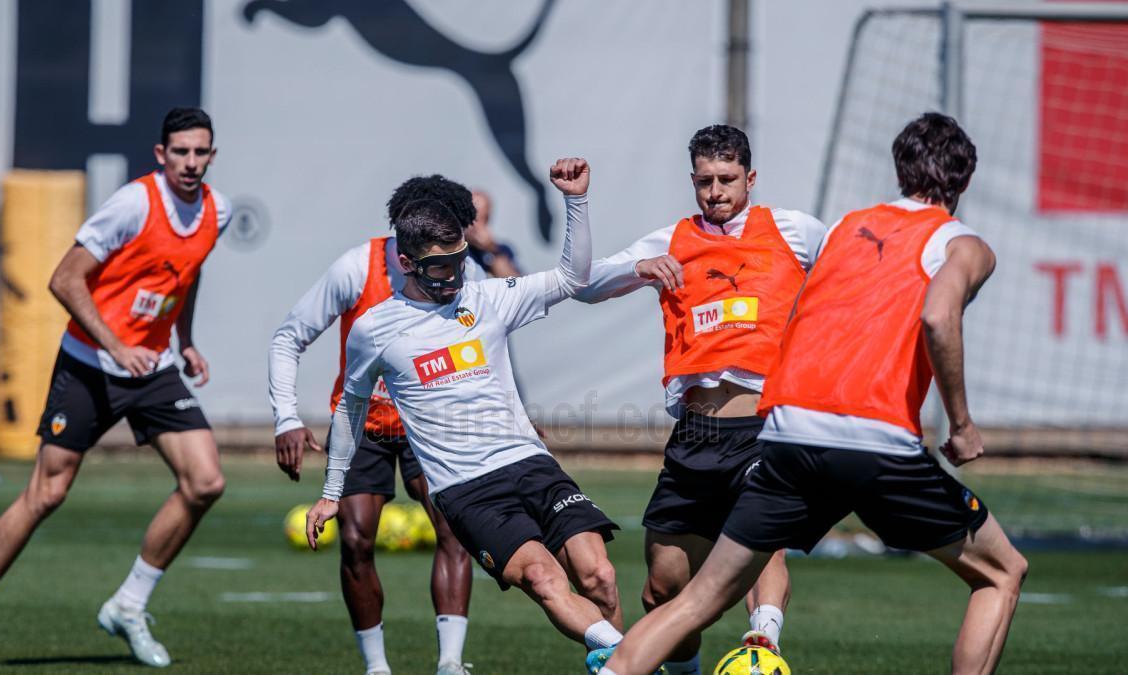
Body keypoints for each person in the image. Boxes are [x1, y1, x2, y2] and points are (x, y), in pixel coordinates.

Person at [599, 113, 1029, 675]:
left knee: (700, 598)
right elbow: (938, 318)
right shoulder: (962, 244)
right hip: (875, 435)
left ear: (900, 169)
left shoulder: (851, 227)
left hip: (789, 427)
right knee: (1001, 572)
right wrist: (963, 425)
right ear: (964, 182)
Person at [304, 158, 631, 671]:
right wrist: (330, 492)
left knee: (600, 578)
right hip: (468, 489)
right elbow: (350, 407)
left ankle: (620, 660)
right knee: (545, 580)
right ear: (407, 263)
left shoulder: (487, 298)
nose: (455, 273)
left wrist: (576, 200)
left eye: (460, 258)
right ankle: (634, 660)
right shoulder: (375, 328)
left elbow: (572, 277)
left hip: (532, 464)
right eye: (441, 265)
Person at [0, 107, 232, 671]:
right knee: (47, 493)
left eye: (201, 152)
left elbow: (185, 275)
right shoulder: (133, 204)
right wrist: (116, 345)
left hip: (152, 364)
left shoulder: (216, 211)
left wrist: (185, 340)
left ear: (211, 156)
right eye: (181, 152)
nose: (191, 163)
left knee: (206, 481)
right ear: (160, 154)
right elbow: (64, 279)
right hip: (90, 364)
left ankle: (129, 604)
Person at [576, 124, 826, 674]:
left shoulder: (794, 231)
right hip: (698, 432)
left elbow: (849, 278)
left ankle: (763, 645)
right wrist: (635, 267)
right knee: (662, 589)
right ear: (693, 180)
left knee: (762, 537)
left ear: (750, 177)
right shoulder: (672, 239)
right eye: (705, 180)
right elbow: (585, 284)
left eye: (727, 179)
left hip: (767, 422)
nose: (716, 191)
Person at [268, 175, 482, 675]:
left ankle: (450, 662)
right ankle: (376, 666)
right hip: (363, 423)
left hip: (430, 421)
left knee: (453, 529)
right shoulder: (355, 267)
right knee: (357, 538)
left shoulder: (462, 275)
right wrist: (286, 418)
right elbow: (288, 337)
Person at [465, 189, 522, 278]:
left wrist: (491, 249)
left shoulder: (502, 250)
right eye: (469, 216)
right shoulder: (453, 248)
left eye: (478, 218)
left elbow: (515, 283)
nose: (472, 225)